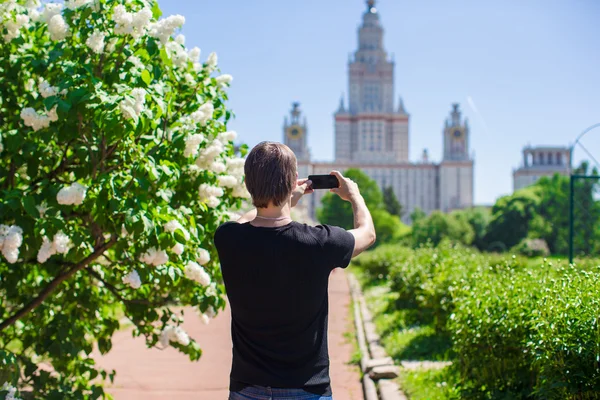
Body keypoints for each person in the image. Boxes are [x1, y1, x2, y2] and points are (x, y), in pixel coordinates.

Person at [214, 141, 376, 400]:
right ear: (292, 182)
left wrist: (284, 198)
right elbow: (367, 234)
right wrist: (354, 195)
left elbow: (245, 220)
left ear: (247, 183)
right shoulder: (319, 243)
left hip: (246, 389)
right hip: (307, 389)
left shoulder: (227, 238)